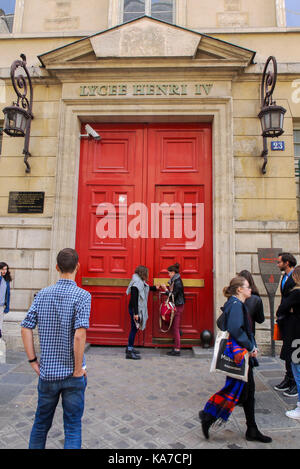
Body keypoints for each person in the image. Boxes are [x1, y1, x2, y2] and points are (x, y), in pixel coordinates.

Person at [21, 248, 91, 449]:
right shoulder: (83, 295)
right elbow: (79, 335)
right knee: (73, 427)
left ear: (56, 267)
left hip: (48, 373)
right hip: (72, 374)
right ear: (78, 266)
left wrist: (33, 361)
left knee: (41, 425)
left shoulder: (42, 294)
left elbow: (25, 327)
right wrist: (78, 370)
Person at [199, 276, 272, 443]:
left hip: (239, 355)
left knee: (245, 392)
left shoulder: (233, 303)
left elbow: (222, 323)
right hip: (240, 356)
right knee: (239, 391)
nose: (250, 290)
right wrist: (250, 347)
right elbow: (235, 329)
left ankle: (251, 428)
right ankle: (208, 415)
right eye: (247, 287)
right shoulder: (237, 305)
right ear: (239, 289)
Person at [276, 265, 300, 414]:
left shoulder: (296, 293)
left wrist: (291, 310)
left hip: (296, 336)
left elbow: (282, 308)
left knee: (297, 368)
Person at [126, 265, 159, 360]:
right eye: (146, 273)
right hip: (135, 310)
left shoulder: (140, 282)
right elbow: (134, 300)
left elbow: (146, 288)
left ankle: (129, 348)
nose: (147, 275)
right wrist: (136, 314)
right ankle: (129, 350)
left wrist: (155, 288)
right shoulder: (136, 284)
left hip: (136, 310)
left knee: (134, 329)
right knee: (134, 329)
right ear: (143, 273)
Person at [161, 263, 185, 356]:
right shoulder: (175, 281)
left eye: (169, 273)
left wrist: (165, 289)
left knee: (175, 328)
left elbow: (173, 295)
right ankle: (176, 346)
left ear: (174, 272)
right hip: (177, 305)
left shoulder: (177, 282)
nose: (168, 275)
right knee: (175, 327)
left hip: (177, 306)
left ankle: (177, 349)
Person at [238, 270, 265, 336]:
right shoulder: (256, 299)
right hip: (249, 334)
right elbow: (260, 319)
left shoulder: (234, 297)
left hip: (237, 335)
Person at [0, 262, 12, 339]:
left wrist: (7, 306)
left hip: (1, 306)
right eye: (2, 269)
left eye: (6, 269)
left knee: (0, 325)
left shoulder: (6, 280)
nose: (4, 271)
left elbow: (8, 294)